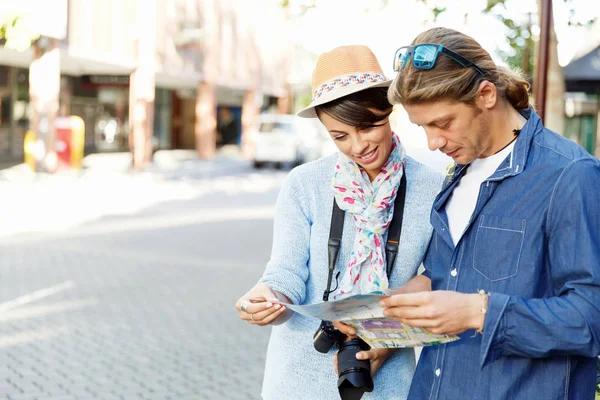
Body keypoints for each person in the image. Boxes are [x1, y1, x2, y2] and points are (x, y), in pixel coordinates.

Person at [376, 27, 600, 399]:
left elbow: (590, 318)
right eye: (422, 128)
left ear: (486, 95)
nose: (433, 143)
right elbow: (447, 275)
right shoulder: (459, 173)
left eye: (443, 123)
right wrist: (386, 317)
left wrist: (477, 312)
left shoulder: (570, 174)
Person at [235, 45, 443, 399]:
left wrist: (386, 339)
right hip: (296, 379)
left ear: (388, 110)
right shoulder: (304, 183)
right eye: (339, 136)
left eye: (368, 127)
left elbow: (437, 279)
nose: (359, 146)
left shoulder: (434, 187)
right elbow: (285, 273)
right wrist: (266, 299)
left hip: (387, 381)